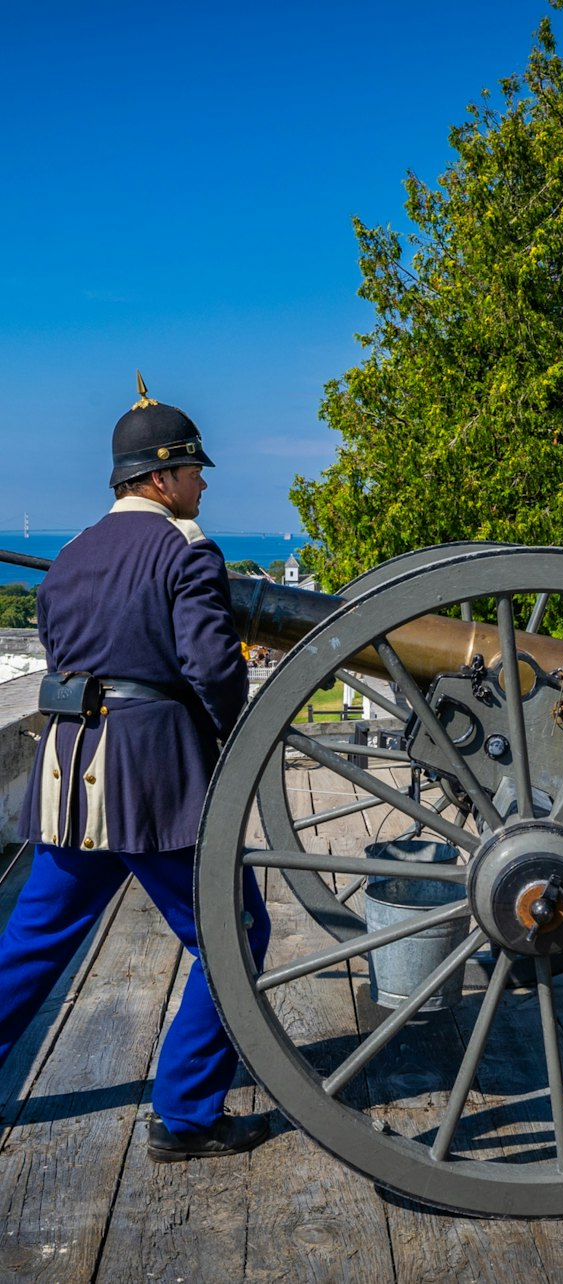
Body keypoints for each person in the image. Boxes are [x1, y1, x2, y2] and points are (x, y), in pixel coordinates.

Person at [0, 378, 272, 1161]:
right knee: (233, 933)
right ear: (159, 478)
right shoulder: (186, 549)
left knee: (33, 942)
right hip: (152, 777)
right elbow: (214, 669)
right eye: (193, 472)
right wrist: (226, 745)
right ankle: (186, 1115)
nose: (203, 483)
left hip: (69, 774)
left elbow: (63, 658)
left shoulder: (71, 557)